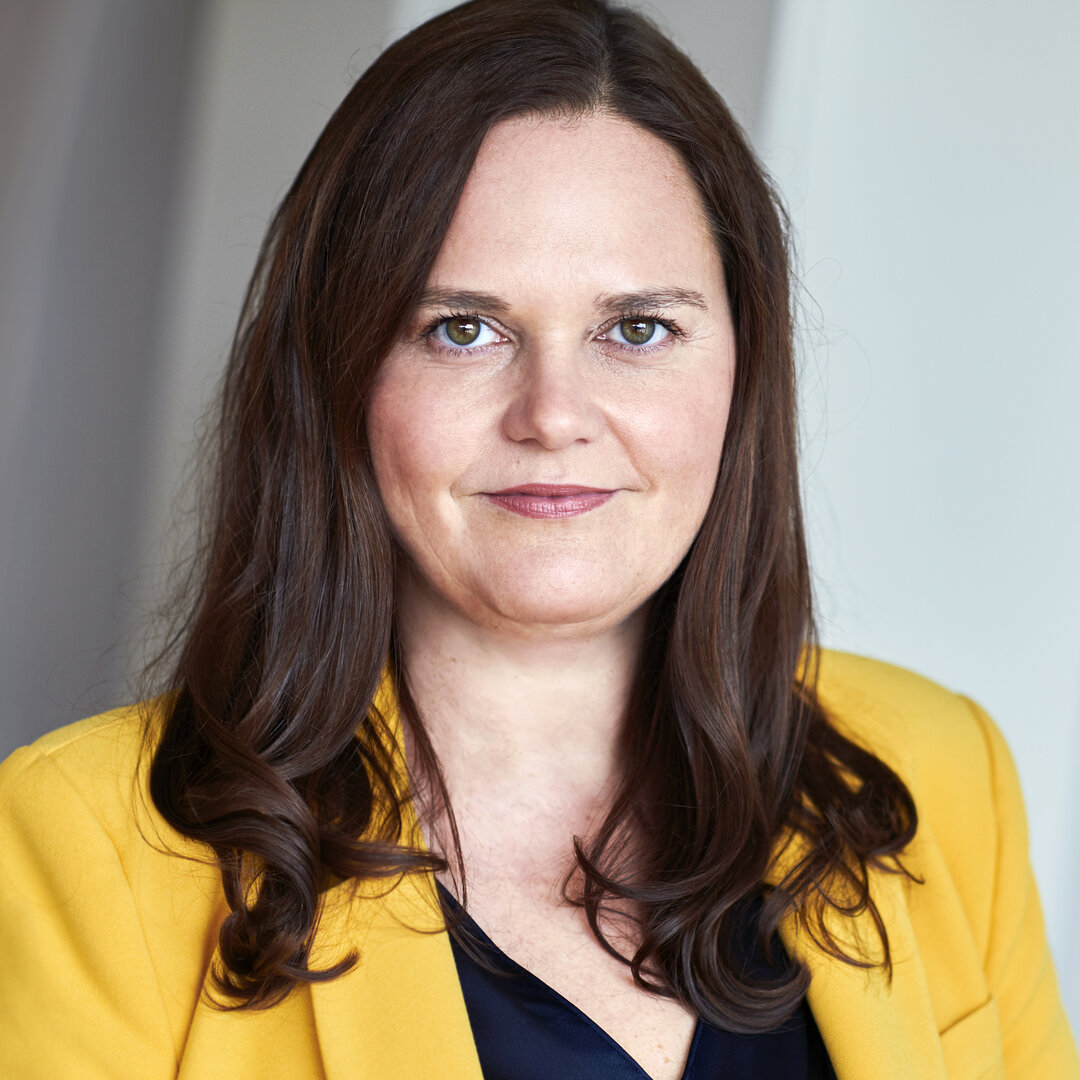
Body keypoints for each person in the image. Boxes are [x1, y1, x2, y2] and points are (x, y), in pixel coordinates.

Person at [0, 0, 1076, 1076]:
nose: (553, 415)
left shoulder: (939, 774)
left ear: (743, 371)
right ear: (338, 373)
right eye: (463, 329)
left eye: (637, 328)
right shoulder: (88, 845)